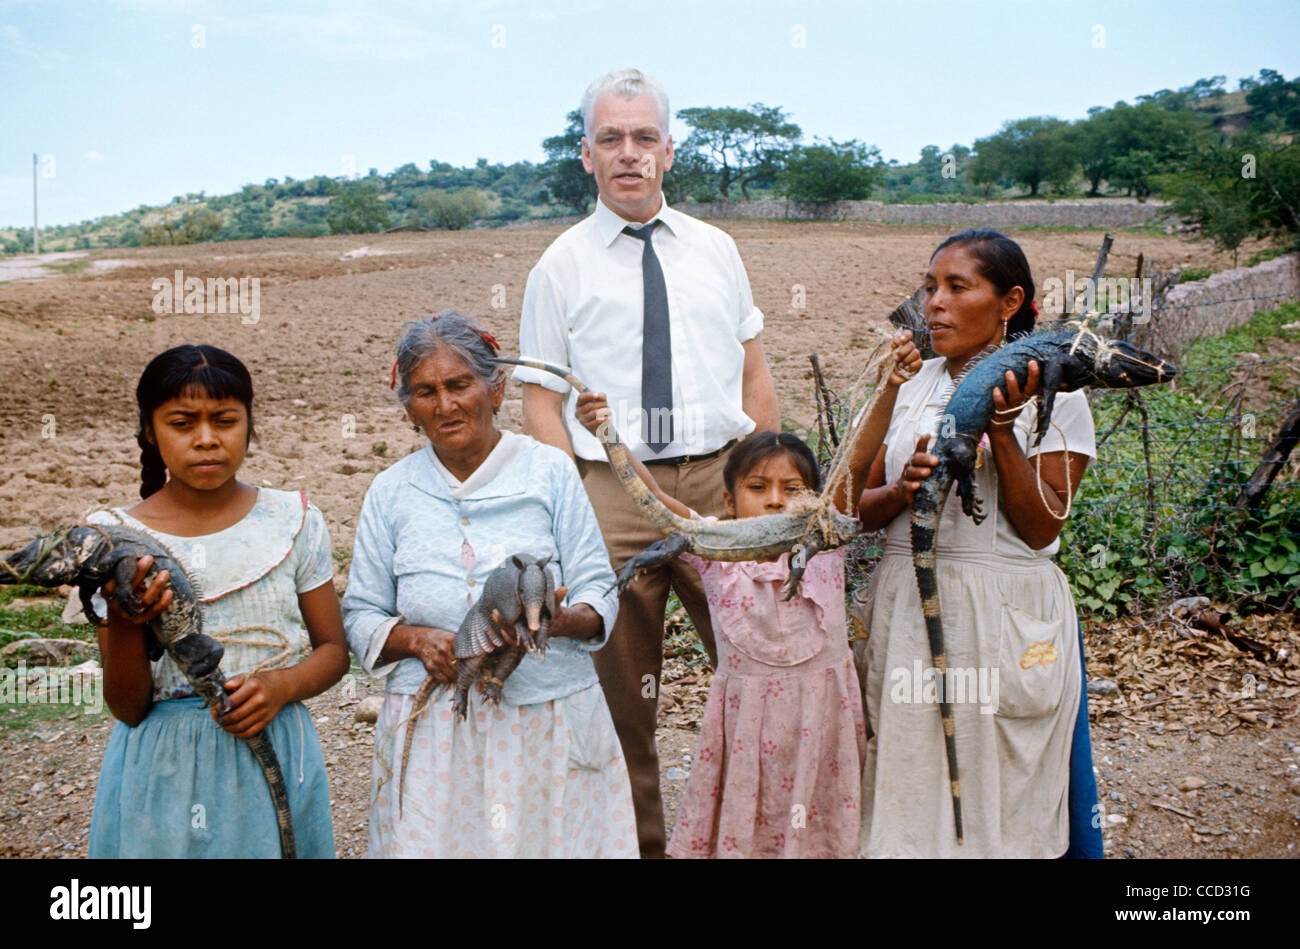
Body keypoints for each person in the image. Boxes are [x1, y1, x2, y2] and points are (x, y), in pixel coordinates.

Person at [513, 67, 780, 858]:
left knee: (768, 665)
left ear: (668, 150)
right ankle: (646, 847)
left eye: (643, 138)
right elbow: (538, 400)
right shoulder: (558, 266)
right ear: (586, 155)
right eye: (610, 139)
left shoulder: (717, 249)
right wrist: (567, 509)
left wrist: (762, 479)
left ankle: (768, 836)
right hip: (611, 492)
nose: (628, 153)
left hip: (719, 484)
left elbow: (753, 368)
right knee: (623, 698)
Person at [576, 333, 920, 858]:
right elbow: (654, 499)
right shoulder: (711, 548)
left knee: (820, 831)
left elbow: (856, 460)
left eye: (792, 488)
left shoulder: (823, 540)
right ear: (728, 501)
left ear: (815, 496)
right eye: (758, 488)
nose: (776, 500)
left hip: (821, 720)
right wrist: (608, 436)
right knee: (746, 826)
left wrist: (890, 385)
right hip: (744, 729)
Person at [342, 313, 637, 858]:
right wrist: (416, 640)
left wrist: (549, 621)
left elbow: (599, 589)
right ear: (408, 406)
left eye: (459, 385)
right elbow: (360, 612)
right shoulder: (391, 492)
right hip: (434, 722)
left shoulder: (549, 472)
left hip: (544, 715)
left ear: (495, 388)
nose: (446, 405)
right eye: (426, 392)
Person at [855, 229, 1096, 858]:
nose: (933, 303)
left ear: (1009, 301)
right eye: (931, 286)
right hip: (909, 603)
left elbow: (1044, 524)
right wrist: (902, 491)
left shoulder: (1056, 393)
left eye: (957, 287)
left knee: (998, 800)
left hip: (1003, 613)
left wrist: (1002, 432)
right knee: (906, 785)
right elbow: (858, 511)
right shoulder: (909, 386)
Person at [85, 344, 348, 858]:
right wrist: (124, 620)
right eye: (182, 423)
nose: (206, 439)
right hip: (163, 769)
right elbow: (127, 706)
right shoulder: (116, 540)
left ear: (249, 426)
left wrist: (280, 686)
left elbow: (334, 651)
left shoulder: (292, 521)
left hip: (275, 746)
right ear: (148, 431)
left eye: (224, 420)